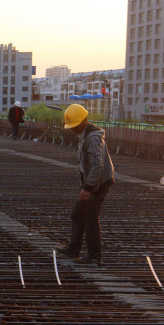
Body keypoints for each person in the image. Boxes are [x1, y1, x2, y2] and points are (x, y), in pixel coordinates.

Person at [58, 104, 114, 267]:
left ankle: (94, 257)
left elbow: (98, 166)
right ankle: (73, 250)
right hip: (91, 181)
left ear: (84, 121)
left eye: (74, 126)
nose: (72, 129)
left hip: (99, 183)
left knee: (90, 217)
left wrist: (88, 188)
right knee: (78, 214)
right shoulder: (85, 135)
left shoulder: (94, 139)